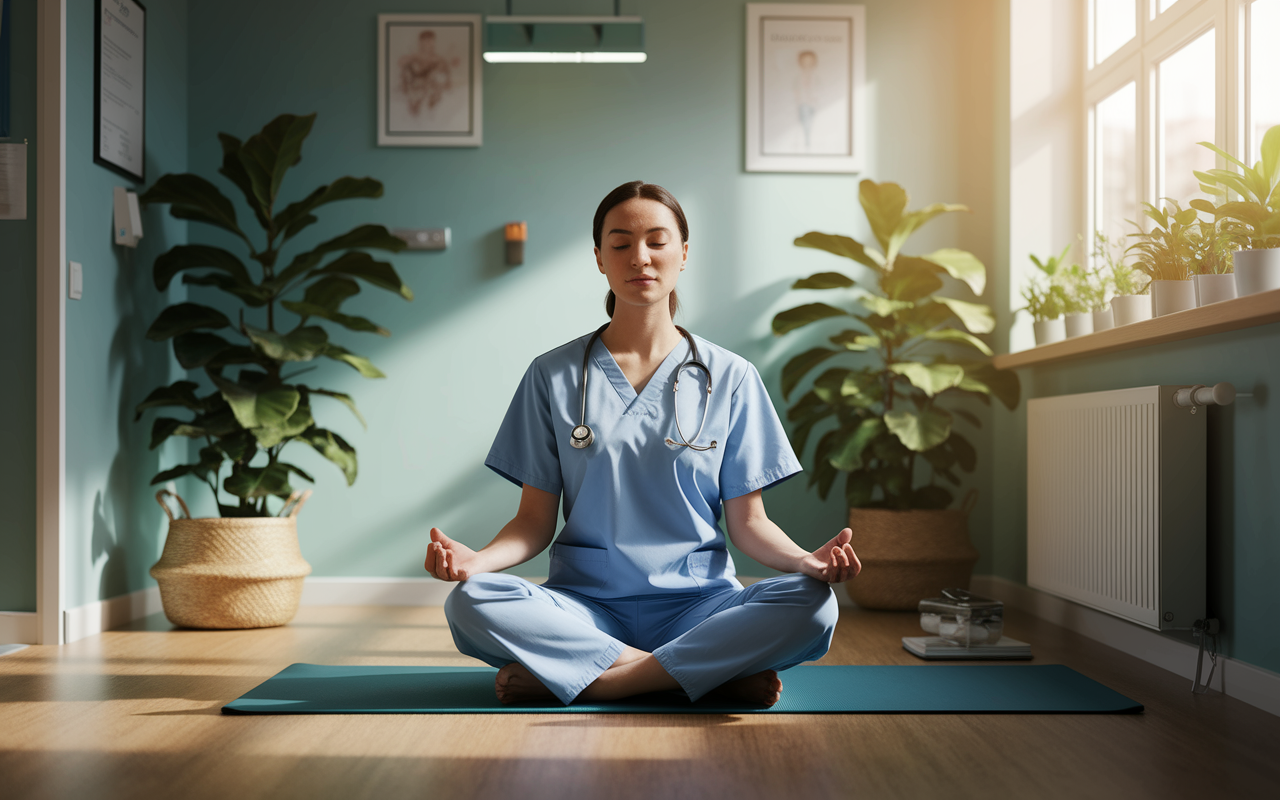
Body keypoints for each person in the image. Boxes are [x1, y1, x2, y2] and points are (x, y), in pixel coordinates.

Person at [425, 181, 860, 707]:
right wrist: (477, 561)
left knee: (815, 605)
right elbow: (533, 522)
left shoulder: (732, 376)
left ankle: (602, 678)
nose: (641, 257)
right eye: (621, 243)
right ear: (599, 259)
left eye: (657, 240)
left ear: (683, 252)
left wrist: (805, 563)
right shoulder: (552, 375)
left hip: (700, 605)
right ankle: (702, 674)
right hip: (585, 606)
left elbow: (750, 524)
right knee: (471, 601)